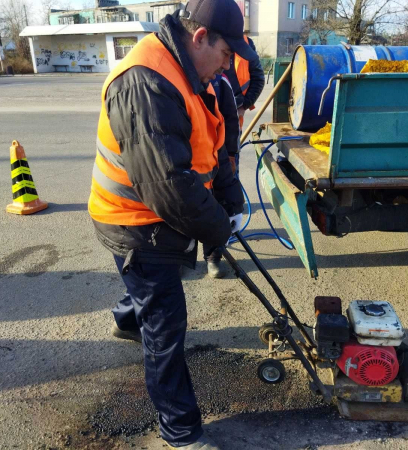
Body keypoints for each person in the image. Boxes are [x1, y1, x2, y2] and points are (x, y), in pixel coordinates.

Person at [87, 0, 257, 448]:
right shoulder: (145, 82)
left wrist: (231, 197)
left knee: (147, 292)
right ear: (201, 37)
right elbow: (168, 189)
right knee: (165, 323)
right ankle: (180, 431)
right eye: (226, 54)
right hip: (133, 221)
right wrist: (220, 230)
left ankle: (126, 320)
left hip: (155, 215)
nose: (229, 64)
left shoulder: (197, 75)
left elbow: (215, 146)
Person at [203, 73, 239, 279]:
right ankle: (182, 255)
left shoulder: (219, 82)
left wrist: (231, 153)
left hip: (217, 156)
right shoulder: (170, 77)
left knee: (216, 207)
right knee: (180, 207)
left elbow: (231, 119)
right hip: (181, 157)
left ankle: (213, 256)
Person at [224, 34, 265, 131]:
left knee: (232, 144)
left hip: (234, 116)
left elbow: (258, 79)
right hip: (209, 115)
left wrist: (243, 106)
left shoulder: (247, 43)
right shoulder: (211, 38)